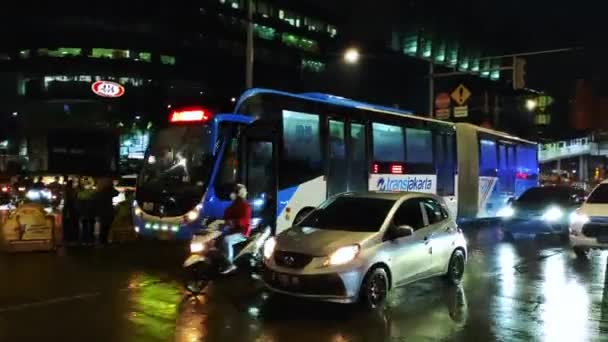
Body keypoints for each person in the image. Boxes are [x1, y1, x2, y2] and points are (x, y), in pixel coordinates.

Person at [221, 183, 252, 274]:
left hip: (243, 232)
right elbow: (228, 213)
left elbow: (245, 221)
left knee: (227, 240)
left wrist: (233, 222)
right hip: (234, 230)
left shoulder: (245, 205)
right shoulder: (235, 204)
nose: (233, 193)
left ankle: (229, 264)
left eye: (236, 191)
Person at [94, 178, 118, 245]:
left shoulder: (100, 192)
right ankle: (104, 240)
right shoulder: (108, 191)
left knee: (103, 226)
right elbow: (116, 193)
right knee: (106, 227)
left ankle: (102, 240)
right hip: (108, 211)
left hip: (103, 211)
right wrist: (110, 187)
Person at [62, 179, 78, 245]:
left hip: (68, 209)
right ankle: (71, 238)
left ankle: (68, 238)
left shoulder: (66, 190)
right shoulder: (72, 191)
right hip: (71, 209)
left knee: (67, 224)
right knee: (72, 224)